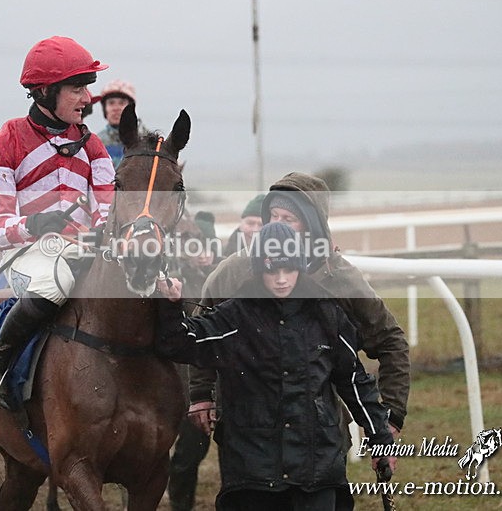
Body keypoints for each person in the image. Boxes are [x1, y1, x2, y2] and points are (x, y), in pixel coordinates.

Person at [156, 222, 397, 510]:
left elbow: (354, 382)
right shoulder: (233, 317)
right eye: (272, 271)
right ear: (259, 270)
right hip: (253, 471)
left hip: (317, 467)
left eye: (289, 269)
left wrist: (380, 439)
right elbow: (180, 343)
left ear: (300, 268)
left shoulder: (327, 314)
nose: (281, 279)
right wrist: (170, 305)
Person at [188, 173, 410, 447]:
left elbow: (390, 340)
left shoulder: (340, 280)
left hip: (320, 438)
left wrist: (391, 414)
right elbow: (200, 334)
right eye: (273, 216)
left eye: (288, 219)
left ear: (311, 226)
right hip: (247, 436)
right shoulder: (234, 271)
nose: (277, 225)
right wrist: (201, 394)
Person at [0, 36, 114, 408]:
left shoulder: (93, 146)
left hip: (85, 251)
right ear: (44, 92)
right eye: (77, 89)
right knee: (57, 282)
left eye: (87, 87)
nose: (88, 98)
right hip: (28, 255)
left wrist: (102, 233)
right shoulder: (5, 142)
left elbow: (107, 210)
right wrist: (34, 224)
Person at [165, 211, 218, 511]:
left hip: (201, 378)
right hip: (174, 378)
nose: (202, 252)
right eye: (193, 244)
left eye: (205, 244)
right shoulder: (173, 278)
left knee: (194, 449)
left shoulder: (214, 279)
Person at [95, 79, 146, 168]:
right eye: (111, 103)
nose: (116, 108)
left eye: (121, 103)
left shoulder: (145, 140)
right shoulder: (97, 142)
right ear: (104, 109)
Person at [223, 193, 265, 258]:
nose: (255, 230)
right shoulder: (221, 255)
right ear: (241, 223)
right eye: (250, 223)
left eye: (261, 225)